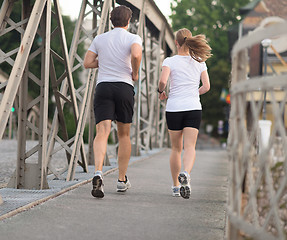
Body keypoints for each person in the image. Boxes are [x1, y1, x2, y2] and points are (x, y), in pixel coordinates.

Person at [83, 5, 142, 198]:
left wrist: (106, 60)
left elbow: (87, 62)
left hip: (104, 87)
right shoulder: (133, 38)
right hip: (124, 87)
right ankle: (121, 180)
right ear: (128, 21)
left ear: (111, 20)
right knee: (124, 135)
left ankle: (98, 173)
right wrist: (134, 72)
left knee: (102, 132)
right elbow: (136, 54)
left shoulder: (100, 39)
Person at [158, 28, 211, 199]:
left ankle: (175, 186)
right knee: (190, 147)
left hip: (174, 108)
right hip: (193, 107)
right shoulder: (200, 61)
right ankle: (186, 174)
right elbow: (207, 86)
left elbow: (162, 81)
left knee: (176, 148)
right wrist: (195, 93)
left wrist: (161, 91)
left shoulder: (169, 61)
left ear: (176, 43)